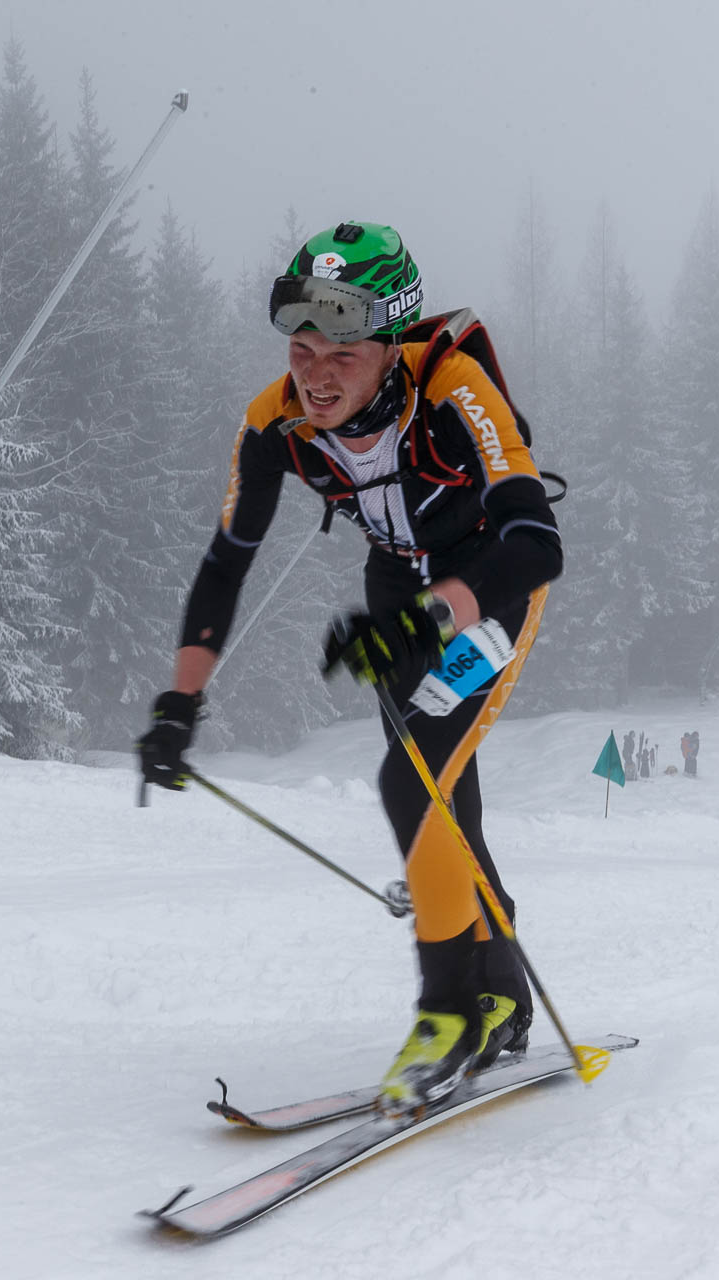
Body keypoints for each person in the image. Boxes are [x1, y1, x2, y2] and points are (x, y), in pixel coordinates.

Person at [134, 222, 562, 1113]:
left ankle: (449, 1014)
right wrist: (179, 704)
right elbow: (225, 564)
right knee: (441, 790)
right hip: (395, 587)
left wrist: (429, 619)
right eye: (300, 350)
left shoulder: (450, 386)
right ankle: (501, 995)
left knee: (414, 782)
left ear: (392, 347)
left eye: (343, 353)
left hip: (488, 585)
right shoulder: (272, 423)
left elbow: (535, 543)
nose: (315, 376)